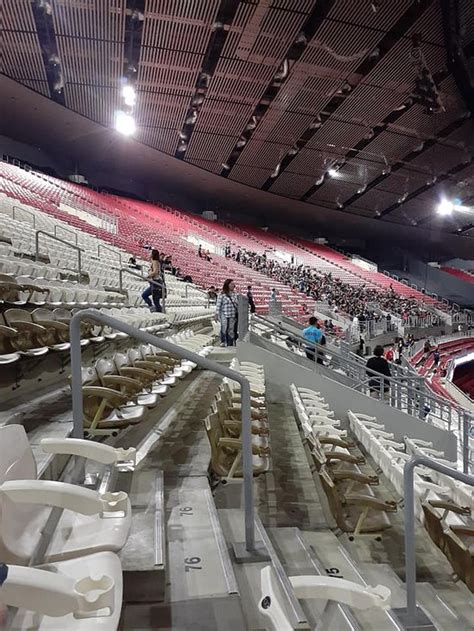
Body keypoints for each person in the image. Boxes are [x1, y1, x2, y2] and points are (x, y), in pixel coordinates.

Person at [215, 278, 238, 347]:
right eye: (231, 284)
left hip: (232, 313)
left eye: (233, 284)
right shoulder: (222, 294)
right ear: (227, 284)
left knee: (231, 329)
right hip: (224, 313)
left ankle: (230, 343)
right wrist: (216, 313)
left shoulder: (234, 294)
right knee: (224, 327)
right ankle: (223, 341)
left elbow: (236, 304)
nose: (233, 285)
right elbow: (218, 304)